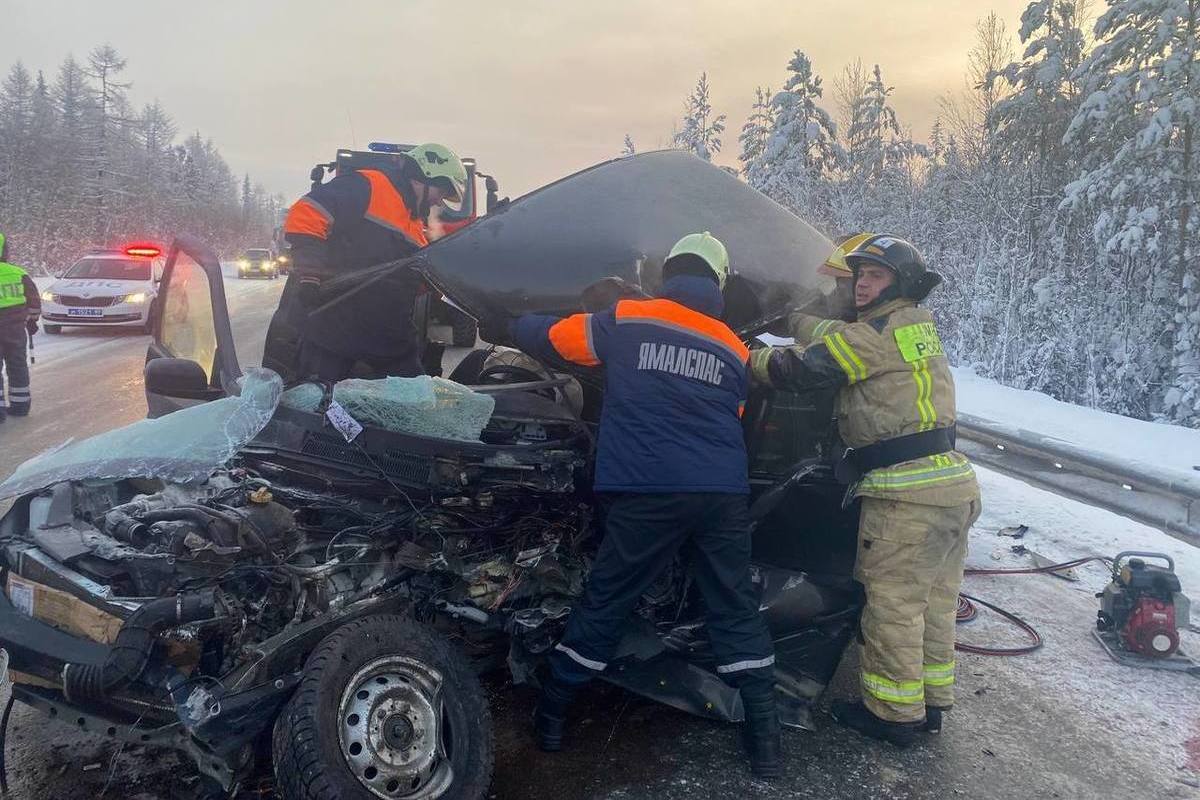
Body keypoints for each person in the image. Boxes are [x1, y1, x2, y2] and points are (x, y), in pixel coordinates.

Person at [510, 233, 781, 778]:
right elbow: (735, 415)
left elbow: (558, 339)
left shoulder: (629, 318)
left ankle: (553, 720)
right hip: (721, 494)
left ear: (667, 274)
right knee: (733, 606)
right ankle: (767, 745)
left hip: (649, 488)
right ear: (718, 283)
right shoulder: (734, 347)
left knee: (608, 597)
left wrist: (514, 322)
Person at [750, 234, 981, 746]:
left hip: (908, 500)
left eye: (874, 276)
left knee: (892, 605)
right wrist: (796, 321)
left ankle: (893, 718)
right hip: (953, 490)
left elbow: (801, 369)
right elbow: (835, 332)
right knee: (934, 603)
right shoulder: (912, 327)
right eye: (858, 275)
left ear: (898, 283)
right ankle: (931, 703)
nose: (860, 284)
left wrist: (747, 358)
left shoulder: (871, 338)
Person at [262, 142, 468, 382]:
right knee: (317, 404)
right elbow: (306, 214)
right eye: (440, 193)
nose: (439, 202)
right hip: (334, 329)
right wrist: (310, 274)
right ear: (424, 177)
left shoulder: (413, 222)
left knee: (413, 400)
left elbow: (407, 278)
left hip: (387, 338)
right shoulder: (368, 185)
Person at [0, 232, 40, 422]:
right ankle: (20, 405)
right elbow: (33, 301)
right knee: (17, 365)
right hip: (15, 329)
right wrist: (32, 321)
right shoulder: (18, 273)